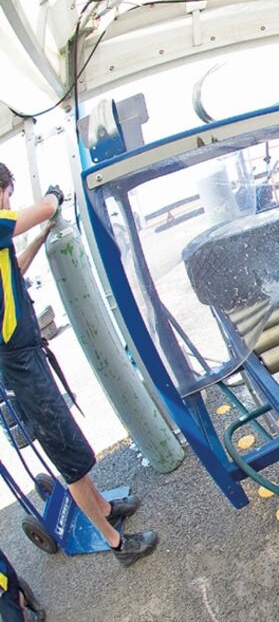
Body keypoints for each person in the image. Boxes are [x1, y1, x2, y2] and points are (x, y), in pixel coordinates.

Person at [0, 163, 158, 566]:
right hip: (18, 365)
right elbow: (32, 212)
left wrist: (43, 236)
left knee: (70, 441)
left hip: (27, 355)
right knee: (67, 456)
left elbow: (15, 268)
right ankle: (116, 544)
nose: (8, 202)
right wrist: (53, 199)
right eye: (5, 194)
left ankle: (103, 507)